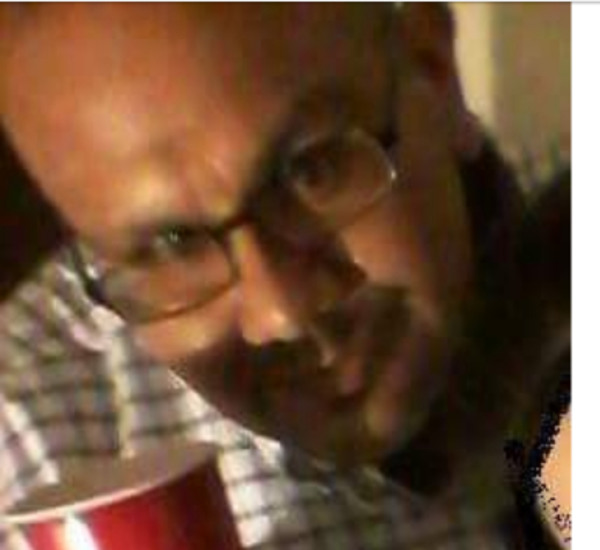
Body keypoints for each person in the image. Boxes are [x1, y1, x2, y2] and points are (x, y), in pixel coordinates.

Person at [0, 4, 565, 548]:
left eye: (311, 172)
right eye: (173, 245)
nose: (281, 314)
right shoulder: (28, 446)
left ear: (434, 74)